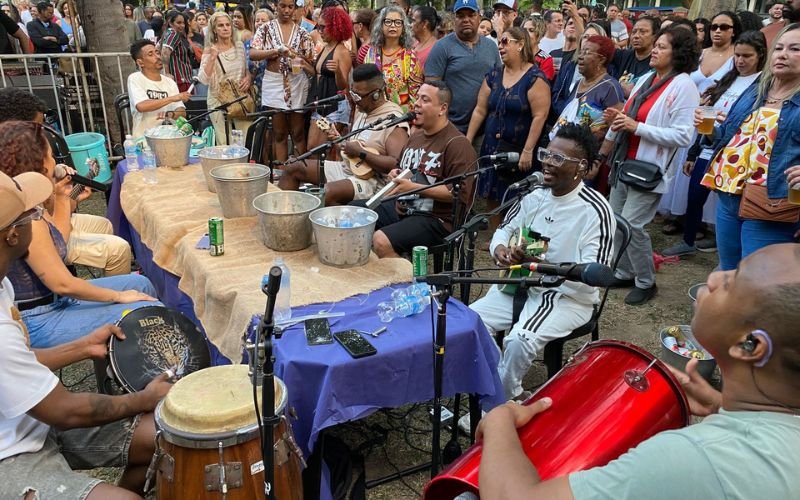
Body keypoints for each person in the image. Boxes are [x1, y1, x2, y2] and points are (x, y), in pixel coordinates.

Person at [476, 242, 800, 499]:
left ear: (750, 346)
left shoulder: (695, 459)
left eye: (732, 280)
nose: (715, 276)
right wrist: (720, 405)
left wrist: (499, 420)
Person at [0, 170, 173, 499]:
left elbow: (19, 363)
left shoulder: (3, 283)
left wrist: (81, 347)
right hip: (9, 453)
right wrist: (142, 399)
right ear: (11, 236)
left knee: (165, 436)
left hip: (29, 420)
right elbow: (65, 410)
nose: (39, 217)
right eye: (32, 215)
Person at [469, 123, 615, 402]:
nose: (547, 162)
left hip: (567, 297)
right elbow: (505, 229)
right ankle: (505, 388)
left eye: (558, 158)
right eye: (546, 154)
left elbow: (596, 271)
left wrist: (537, 262)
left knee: (518, 340)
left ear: (581, 167)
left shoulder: (595, 210)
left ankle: (500, 402)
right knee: (471, 323)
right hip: (521, 284)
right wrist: (501, 249)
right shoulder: (535, 195)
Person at [1, 122, 159, 349]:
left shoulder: (30, 200)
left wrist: (63, 197)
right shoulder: (26, 219)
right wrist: (117, 296)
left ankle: (112, 361)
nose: (56, 162)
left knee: (141, 284)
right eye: (51, 156)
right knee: (147, 313)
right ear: (38, 165)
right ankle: (124, 366)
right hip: (40, 319)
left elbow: (58, 245)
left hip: (56, 302)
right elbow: (62, 284)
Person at [599, 25, 700, 306]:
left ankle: (646, 280)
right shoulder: (647, 79)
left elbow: (683, 136)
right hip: (624, 161)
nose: (654, 50)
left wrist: (637, 126)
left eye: (662, 47)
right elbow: (629, 116)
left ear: (678, 54)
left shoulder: (684, 86)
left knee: (633, 225)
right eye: (655, 45)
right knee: (616, 221)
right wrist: (617, 118)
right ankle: (623, 271)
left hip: (649, 169)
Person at [0, 88, 133, 277]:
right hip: (37, 246)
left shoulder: (23, 155)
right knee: (117, 249)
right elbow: (54, 237)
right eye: (36, 127)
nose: (42, 134)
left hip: (49, 226)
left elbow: (53, 211)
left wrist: (70, 197)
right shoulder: (12, 174)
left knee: (104, 225)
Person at [703, 23, 800, 271]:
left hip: (772, 202)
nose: (783, 54)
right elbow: (727, 136)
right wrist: (710, 129)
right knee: (728, 268)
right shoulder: (756, 90)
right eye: (779, 48)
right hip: (729, 192)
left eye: (795, 49)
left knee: (757, 280)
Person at [662, 30, 767, 258]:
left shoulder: (763, 87)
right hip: (708, 146)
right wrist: (693, 153)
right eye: (737, 55)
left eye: (746, 56)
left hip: (735, 153)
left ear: (760, 55)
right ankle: (688, 240)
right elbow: (707, 119)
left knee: (730, 207)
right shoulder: (729, 79)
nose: (740, 60)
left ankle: (729, 252)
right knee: (695, 196)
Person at [370, 81, 476, 258]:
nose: (417, 103)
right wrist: (394, 174)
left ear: (442, 108)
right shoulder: (416, 136)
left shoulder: (457, 144)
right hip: (406, 208)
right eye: (417, 97)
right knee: (357, 214)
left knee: (382, 240)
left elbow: (459, 194)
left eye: (425, 99)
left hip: (437, 219)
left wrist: (414, 189)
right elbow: (400, 167)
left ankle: (409, 285)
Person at [279, 63, 409, 205]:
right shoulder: (363, 109)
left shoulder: (393, 120)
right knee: (293, 167)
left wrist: (361, 153)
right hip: (347, 169)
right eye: (352, 93)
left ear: (376, 94)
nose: (354, 100)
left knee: (327, 193)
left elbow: (395, 164)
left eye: (358, 96)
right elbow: (353, 146)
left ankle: (332, 225)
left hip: (372, 182)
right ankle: (282, 221)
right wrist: (341, 141)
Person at [466, 26, 550, 230]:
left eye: (505, 42)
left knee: (520, 194)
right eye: (499, 43)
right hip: (493, 145)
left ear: (521, 45)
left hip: (520, 146)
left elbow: (540, 116)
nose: (500, 47)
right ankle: (497, 235)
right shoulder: (494, 74)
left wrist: (528, 150)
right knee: (493, 191)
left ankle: (516, 236)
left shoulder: (534, 78)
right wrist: (467, 141)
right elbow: (480, 110)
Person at [250, 0, 314, 161]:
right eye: (282, 6)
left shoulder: (302, 33)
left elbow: (311, 61)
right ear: (276, 6)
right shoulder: (265, 29)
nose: (286, 10)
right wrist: (274, 51)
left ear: (295, 8)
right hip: (273, 80)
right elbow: (253, 53)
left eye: (290, 7)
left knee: (298, 130)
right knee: (279, 132)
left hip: (296, 81)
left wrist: (296, 57)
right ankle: (281, 170)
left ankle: (300, 170)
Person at [425, 0, 501, 134]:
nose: (466, 20)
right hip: (451, 128)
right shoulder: (442, 47)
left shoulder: (491, 47)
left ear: (479, 17)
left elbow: (499, 81)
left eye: (471, 15)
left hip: (486, 128)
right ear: (454, 19)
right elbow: (431, 89)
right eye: (461, 16)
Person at [550, 35, 623, 144]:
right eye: (581, 52)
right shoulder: (578, 83)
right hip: (562, 147)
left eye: (587, 53)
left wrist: (601, 155)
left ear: (601, 60)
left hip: (588, 153)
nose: (580, 56)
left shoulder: (610, 87)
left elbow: (615, 127)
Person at [198, 12, 252, 146]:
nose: (225, 28)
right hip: (219, 101)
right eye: (221, 25)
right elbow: (203, 80)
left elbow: (246, 70)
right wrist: (212, 57)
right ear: (214, 29)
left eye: (228, 25)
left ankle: (241, 167)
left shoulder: (239, 46)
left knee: (243, 140)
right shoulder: (210, 50)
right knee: (224, 143)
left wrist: (248, 78)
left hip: (240, 99)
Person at [305, 6, 352, 150]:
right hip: (321, 103)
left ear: (335, 28)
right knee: (313, 148)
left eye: (323, 27)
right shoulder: (326, 47)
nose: (319, 31)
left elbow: (343, 86)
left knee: (323, 150)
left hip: (334, 107)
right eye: (318, 27)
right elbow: (318, 73)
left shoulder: (341, 51)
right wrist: (302, 63)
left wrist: (337, 71)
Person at [360, 5, 423, 113]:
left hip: (399, 118)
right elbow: (363, 84)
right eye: (388, 21)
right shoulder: (371, 53)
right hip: (372, 116)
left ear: (403, 27)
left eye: (398, 22)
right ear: (381, 25)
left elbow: (415, 95)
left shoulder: (410, 58)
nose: (393, 25)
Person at [127, 39, 189, 138]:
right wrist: (172, 98)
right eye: (150, 54)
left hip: (169, 137)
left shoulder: (170, 82)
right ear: (140, 62)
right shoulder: (135, 78)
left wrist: (171, 114)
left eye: (157, 52)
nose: (157, 57)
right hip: (144, 139)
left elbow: (182, 112)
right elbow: (142, 106)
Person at [551, 22, 609, 121]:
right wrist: (568, 113)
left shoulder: (609, 70)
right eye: (585, 37)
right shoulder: (570, 66)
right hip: (564, 121)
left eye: (594, 37)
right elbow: (557, 95)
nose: (588, 40)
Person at [611, 15, 660, 98]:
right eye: (634, 32)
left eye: (642, 32)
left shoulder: (657, 63)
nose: (636, 36)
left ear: (655, 36)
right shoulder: (623, 55)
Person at [160, 11, 194, 93]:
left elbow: (157, 49)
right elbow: (164, 53)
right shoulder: (173, 34)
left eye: (183, 23)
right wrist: (166, 73)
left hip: (181, 79)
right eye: (178, 23)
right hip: (180, 80)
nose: (182, 25)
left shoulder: (167, 33)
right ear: (171, 23)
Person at [521, 16, 555, 80]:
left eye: (531, 30)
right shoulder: (515, 54)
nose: (526, 33)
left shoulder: (545, 59)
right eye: (524, 30)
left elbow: (543, 85)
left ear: (540, 34)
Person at [411, 5, 438, 71]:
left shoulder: (435, 49)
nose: (410, 25)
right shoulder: (416, 43)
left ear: (424, 24)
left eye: (414, 21)